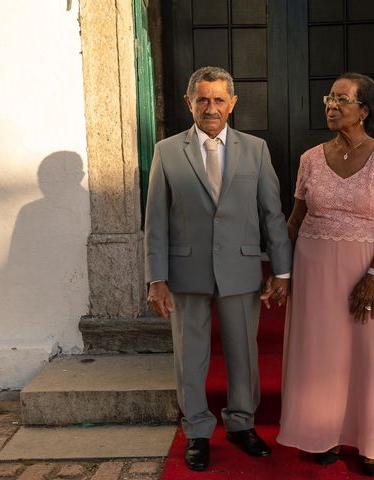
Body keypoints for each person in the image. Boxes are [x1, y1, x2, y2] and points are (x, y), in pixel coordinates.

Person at [144, 66, 292, 472]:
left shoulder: (256, 149)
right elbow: (155, 220)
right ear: (189, 102)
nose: (211, 108)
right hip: (185, 269)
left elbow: (272, 213)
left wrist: (282, 272)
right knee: (190, 354)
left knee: (243, 351)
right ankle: (196, 430)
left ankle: (242, 423)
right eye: (203, 99)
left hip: (241, 267)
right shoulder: (167, 151)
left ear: (233, 104)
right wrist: (157, 278)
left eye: (219, 100)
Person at [276, 73, 374, 476]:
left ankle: (373, 439)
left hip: (366, 269)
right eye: (329, 98)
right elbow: (295, 219)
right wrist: (281, 271)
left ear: (364, 110)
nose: (331, 106)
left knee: (369, 354)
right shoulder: (309, 159)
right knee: (321, 354)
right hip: (314, 269)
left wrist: (373, 274)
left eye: (341, 100)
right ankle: (324, 433)